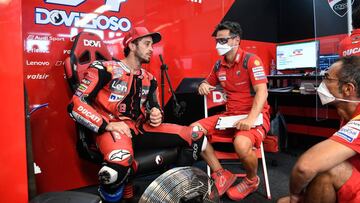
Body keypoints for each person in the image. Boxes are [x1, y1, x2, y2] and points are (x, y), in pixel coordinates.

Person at [67, 27, 209, 202]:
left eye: (152, 45)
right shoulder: (104, 69)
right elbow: (75, 104)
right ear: (132, 45)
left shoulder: (150, 78)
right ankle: (113, 194)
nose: (151, 49)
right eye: (147, 44)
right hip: (112, 130)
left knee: (196, 136)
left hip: (141, 128)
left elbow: (154, 107)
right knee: (115, 171)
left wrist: (156, 114)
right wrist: (107, 124)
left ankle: (168, 188)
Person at [191, 21, 270, 200]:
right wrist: (203, 85)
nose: (219, 45)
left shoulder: (251, 60)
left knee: (241, 144)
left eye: (223, 40)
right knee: (193, 131)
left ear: (236, 40)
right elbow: (207, 82)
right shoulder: (219, 65)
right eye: (217, 41)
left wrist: (250, 119)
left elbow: (262, 91)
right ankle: (221, 174)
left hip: (255, 116)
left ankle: (251, 180)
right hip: (230, 116)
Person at [278, 56, 360, 203]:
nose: (322, 83)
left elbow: (304, 167)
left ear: (348, 89)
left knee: (328, 167)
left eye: (327, 78)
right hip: (352, 176)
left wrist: (295, 196)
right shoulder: (347, 112)